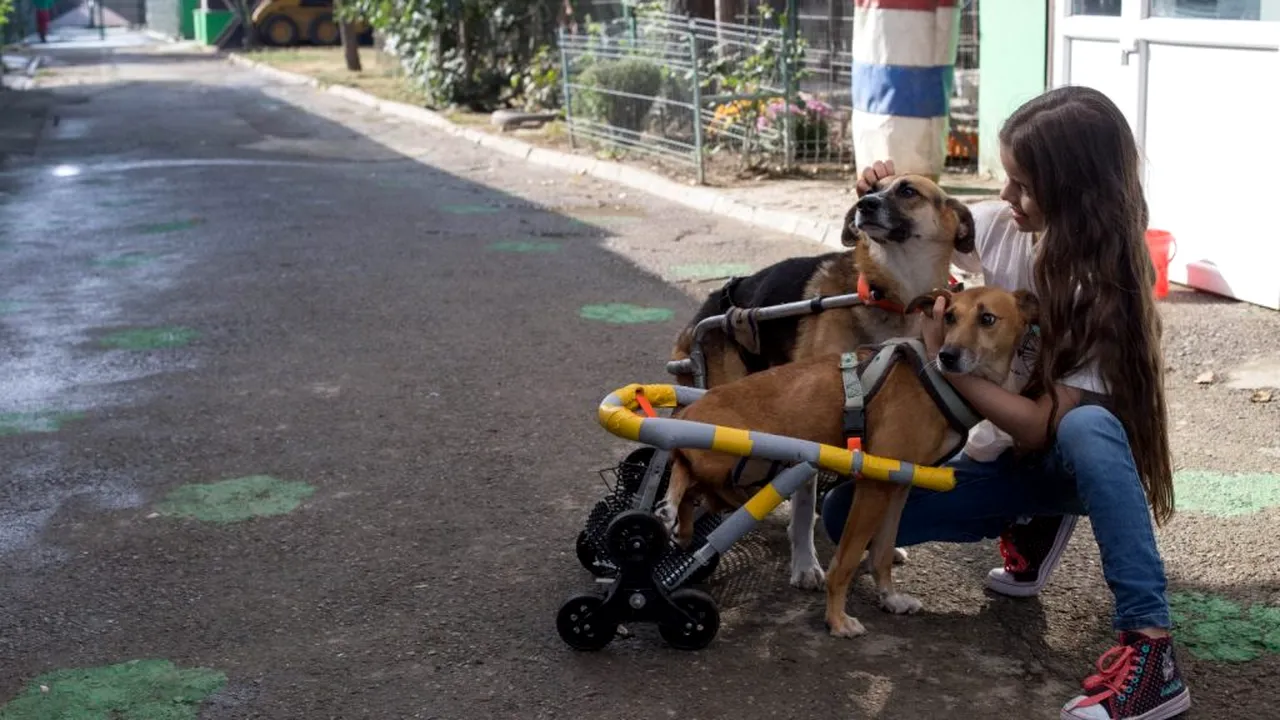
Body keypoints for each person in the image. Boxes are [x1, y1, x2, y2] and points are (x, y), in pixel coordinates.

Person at [822, 85, 1189, 720]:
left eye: (1022, 184)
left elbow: (1045, 426)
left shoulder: (1109, 292)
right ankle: (1029, 518)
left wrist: (950, 363)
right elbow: (932, 231)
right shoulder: (1001, 226)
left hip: (1067, 460)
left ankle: (1150, 650)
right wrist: (884, 195)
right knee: (843, 516)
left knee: (1088, 427)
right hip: (999, 455)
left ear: (1075, 190)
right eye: (1006, 179)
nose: (1005, 197)